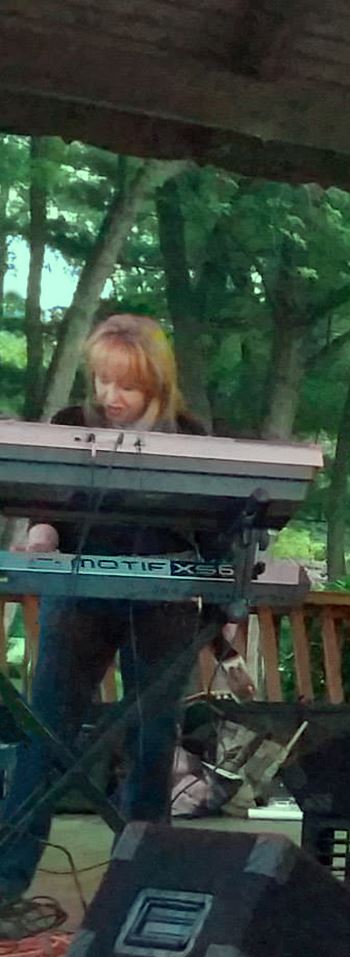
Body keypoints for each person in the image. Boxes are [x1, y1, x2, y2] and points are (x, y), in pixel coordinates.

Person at [0, 315, 214, 904]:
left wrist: (230, 586)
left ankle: (144, 877)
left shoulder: (191, 434)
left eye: (125, 386)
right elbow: (46, 502)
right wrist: (42, 532)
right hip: (80, 590)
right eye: (101, 381)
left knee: (153, 737)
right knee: (47, 731)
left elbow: (216, 523)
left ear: (155, 384)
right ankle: (7, 879)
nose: (109, 398)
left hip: (164, 598)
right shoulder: (70, 425)